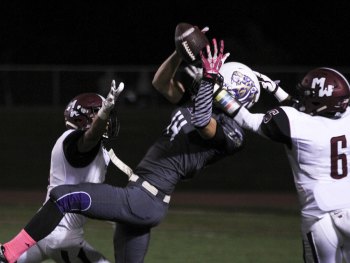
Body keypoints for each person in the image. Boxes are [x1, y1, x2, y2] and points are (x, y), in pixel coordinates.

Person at [0, 37, 259, 263]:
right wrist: (180, 53)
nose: (213, 78)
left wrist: (209, 79)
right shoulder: (202, 106)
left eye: (220, 78)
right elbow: (161, 83)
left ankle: (9, 252)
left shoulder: (231, 133)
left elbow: (203, 121)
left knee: (64, 196)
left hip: (147, 199)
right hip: (139, 195)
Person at [219, 67, 350, 262]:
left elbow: (247, 119)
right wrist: (276, 90)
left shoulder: (296, 124)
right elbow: (309, 109)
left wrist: (217, 93)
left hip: (319, 217)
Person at [16, 80, 124, 263]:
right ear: (82, 119)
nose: (106, 120)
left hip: (46, 227)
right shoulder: (74, 141)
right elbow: (89, 138)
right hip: (62, 237)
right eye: (98, 113)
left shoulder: (94, 150)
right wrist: (104, 113)